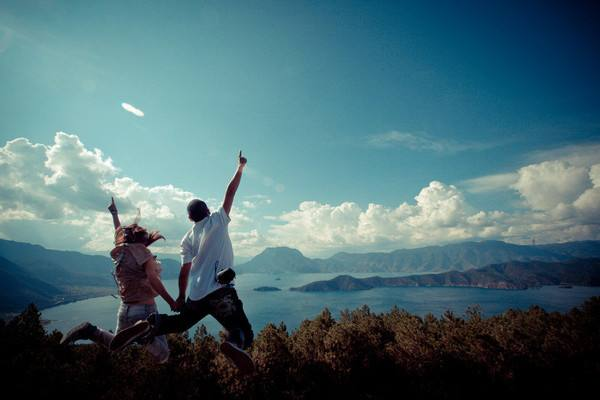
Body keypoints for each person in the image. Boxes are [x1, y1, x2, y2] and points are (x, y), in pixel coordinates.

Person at [111, 151, 254, 374]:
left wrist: (179, 297)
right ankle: (233, 345)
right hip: (220, 292)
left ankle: (150, 324)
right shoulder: (218, 219)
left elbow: (184, 271)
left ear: (189, 219)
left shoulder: (187, 238)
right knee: (244, 331)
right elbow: (231, 192)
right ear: (207, 210)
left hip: (196, 295)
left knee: (179, 324)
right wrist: (240, 167)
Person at [60, 197, 177, 364]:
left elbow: (117, 230)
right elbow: (152, 278)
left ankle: (89, 331)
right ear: (143, 241)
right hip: (145, 310)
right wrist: (171, 301)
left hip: (125, 309)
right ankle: (144, 336)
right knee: (163, 355)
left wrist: (114, 213)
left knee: (116, 344)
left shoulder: (120, 252)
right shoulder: (144, 254)